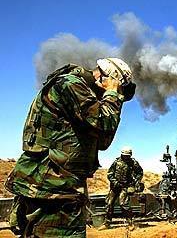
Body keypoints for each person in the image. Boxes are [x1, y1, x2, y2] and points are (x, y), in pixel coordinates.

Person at [5, 57, 135, 237]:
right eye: (119, 88)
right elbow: (105, 123)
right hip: (53, 188)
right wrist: (112, 93)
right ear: (108, 78)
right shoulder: (70, 84)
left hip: (56, 186)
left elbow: (103, 142)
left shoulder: (81, 97)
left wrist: (112, 96)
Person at [99, 146, 143, 229]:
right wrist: (115, 182)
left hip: (125, 187)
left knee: (123, 204)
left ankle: (130, 223)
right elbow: (110, 174)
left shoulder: (133, 163)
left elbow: (140, 172)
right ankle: (107, 223)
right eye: (124, 155)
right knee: (109, 203)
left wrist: (135, 182)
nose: (126, 157)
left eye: (127, 155)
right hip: (115, 187)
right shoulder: (116, 162)